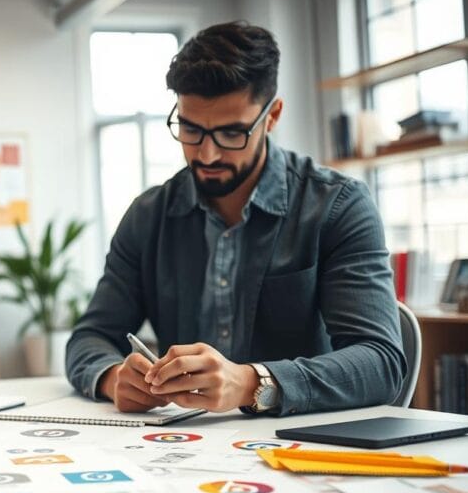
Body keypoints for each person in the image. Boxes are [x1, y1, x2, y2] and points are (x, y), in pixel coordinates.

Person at [67, 21, 405, 417]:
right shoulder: (148, 216)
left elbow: (381, 363)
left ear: (272, 115)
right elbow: (89, 338)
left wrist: (251, 383)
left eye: (231, 134)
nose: (207, 155)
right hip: (180, 447)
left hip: (303, 443)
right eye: (191, 129)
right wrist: (112, 377)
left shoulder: (336, 206)